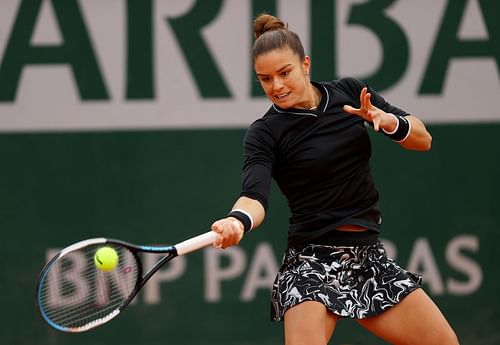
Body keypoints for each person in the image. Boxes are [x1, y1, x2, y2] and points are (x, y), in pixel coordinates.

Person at [210, 13, 459, 345]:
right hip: (311, 264)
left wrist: (388, 121)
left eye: (285, 73)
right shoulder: (264, 133)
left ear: (306, 64)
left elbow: (423, 139)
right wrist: (237, 221)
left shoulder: (350, 92)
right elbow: (254, 196)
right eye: (266, 79)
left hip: (369, 257)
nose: (277, 87)